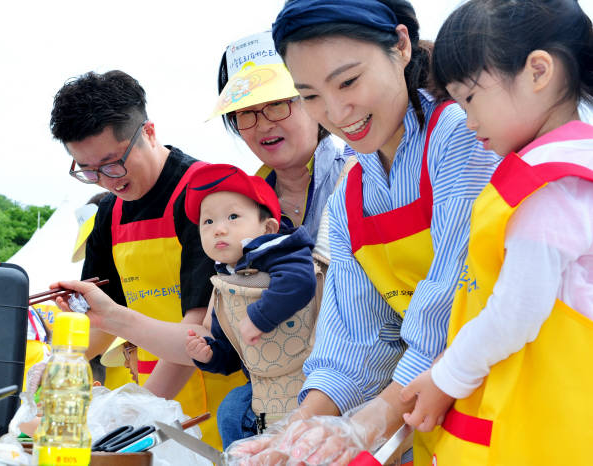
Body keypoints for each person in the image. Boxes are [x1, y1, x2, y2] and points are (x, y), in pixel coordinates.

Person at [229, 1, 501, 464]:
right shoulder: (351, 192)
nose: (336, 112)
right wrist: (300, 428)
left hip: (505, 393)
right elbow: (354, 333)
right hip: (435, 418)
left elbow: (454, 299)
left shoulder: (462, 136)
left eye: (349, 81)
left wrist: (369, 420)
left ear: (400, 46)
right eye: (311, 95)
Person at [398, 1, 593, 464]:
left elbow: (516, 311)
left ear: (538, 72)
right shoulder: (573, 166)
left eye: (469, 97)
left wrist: (446, 378)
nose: (468, 121)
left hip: (538, 425)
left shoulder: (549, 187)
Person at [48, 70, 245, 448]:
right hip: (153, 403)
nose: (106, 180)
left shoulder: (208, 194)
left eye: (112, 162)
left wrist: (138, 415)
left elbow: (198, 334)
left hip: (216, 404)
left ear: (149, 132)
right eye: (87, 170)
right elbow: (98, 323)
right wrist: (61, 361)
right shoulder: (109, 212)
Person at [183, 163, 317, 447]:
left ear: (267, 227)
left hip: (312, 372)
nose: (219, 229)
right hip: (264, 382)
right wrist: (210, 354)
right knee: (231, 410)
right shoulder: (225, 283)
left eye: (233, 217)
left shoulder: (282, 251)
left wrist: (258, 317)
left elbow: (299, 282)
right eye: (207, 222)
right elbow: (234, 352)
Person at [213, 30, 350, 245]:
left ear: (314, 99)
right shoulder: (240, 207)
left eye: (277, 104)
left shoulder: (360, 178)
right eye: (246, 112)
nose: (264, 125)